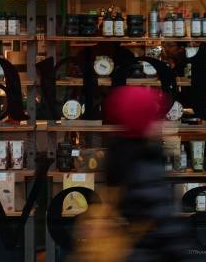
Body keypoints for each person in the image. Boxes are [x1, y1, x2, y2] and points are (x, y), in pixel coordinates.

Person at [73, 86, 189, 262]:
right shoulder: (146, 168)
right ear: (144, 121)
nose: (162, 122)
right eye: (156, 117)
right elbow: (170, 233)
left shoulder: (117, 157)